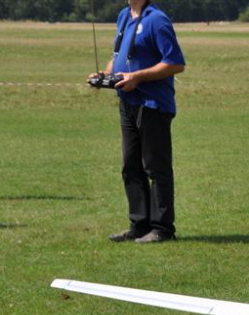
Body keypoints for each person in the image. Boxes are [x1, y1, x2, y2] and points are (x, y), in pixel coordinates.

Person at [91, 0, 185, 243]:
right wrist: (105, 75)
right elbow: (119, 55)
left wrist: (138, 77)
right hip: (128, 102)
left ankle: (162, 229)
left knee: (156, 167)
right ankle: (139, 224)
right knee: (131, 165)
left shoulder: (157, 20)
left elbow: (175, 63)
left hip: (152, 104)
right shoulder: (124, 15)